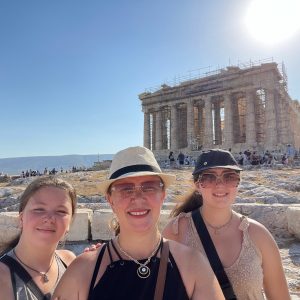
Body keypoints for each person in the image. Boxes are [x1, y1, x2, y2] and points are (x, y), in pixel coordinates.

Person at [53, 146, 224, 300]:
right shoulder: (82, 271)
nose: (138, 198)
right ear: (110, 200)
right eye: (125, 189)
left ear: (163, 195)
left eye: (149, 187)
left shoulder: (193, 264)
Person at [163, 149, 290, 300]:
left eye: (229, 177)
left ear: (238, 183)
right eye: (209, 178)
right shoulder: (176, 231)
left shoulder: (258, 235)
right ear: (197, 185)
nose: (220, 185)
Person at [0, 176, 77, 300]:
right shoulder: (3, 278)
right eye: (39, 209)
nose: (49, 218)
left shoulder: (70, 263)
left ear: (69, 223)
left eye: (61, 211)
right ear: (21, 218)